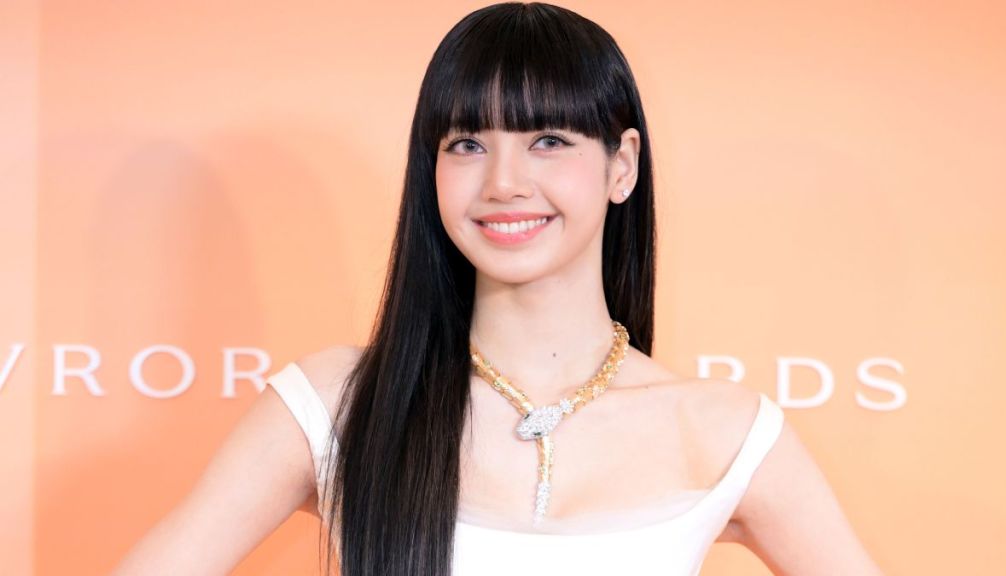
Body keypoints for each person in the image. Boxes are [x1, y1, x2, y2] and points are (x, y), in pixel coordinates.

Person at [113, 2, 884, 575]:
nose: (504, 183)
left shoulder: (722, 430)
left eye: (548, 140)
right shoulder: (337, 402)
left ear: (621, 166)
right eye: (467, 144)